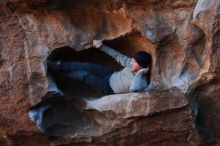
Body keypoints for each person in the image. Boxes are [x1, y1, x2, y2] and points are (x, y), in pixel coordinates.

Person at [47, 40, 152, 94]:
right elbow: (118, 56)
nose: (131, 63)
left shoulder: (141, 81)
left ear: (141, 66)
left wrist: (140, 73)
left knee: (84, 75)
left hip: (108, 87)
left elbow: (134, 88)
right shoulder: (131, 64)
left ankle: (59, 74)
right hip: (110, 73)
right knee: (86, 65)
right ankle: (55, 65)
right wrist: (101, 46)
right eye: (132, 60)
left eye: (134, 62)